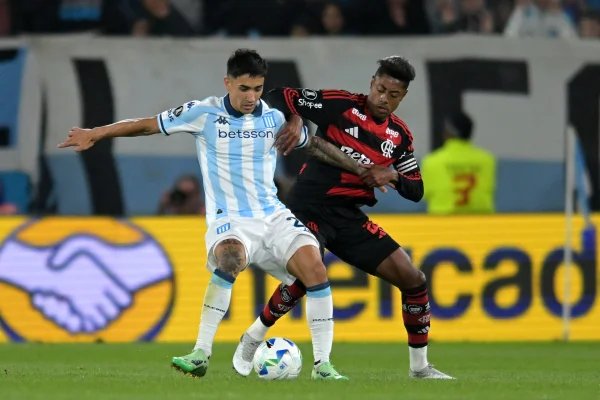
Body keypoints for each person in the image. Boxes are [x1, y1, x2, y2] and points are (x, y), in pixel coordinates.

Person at [58, 48, 362, 381]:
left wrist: (361, 168)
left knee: (315, 268)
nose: (251, 97)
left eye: (257, 89)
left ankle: (322, 366)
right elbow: (146, 125)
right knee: (230, 259)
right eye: (244, 88)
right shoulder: (203, 113)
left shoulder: (275, 117)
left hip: (272, 215)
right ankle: (200, 352)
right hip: (229, 218)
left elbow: (315, 145)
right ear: (227, 82)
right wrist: (96, 132)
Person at [232, 56, 454, 380]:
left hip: (348, 216)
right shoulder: (340, 105)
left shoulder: (399, 137)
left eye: (393, 95)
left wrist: (392, 175)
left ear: (402, 96)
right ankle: (257, 338)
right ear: (372, 83)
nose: (384, 98)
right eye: (380, 89)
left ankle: (420, 368)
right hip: (308, 206)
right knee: (308, 277)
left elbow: (416, 190)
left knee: (414, 279)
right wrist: (294, 118)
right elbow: (279, 95)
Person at [421, 111, 496, 214]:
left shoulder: (431, 161)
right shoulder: (487, 160)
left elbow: (424, 195)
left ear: (447, 132)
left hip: (443, 221)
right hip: (481, 221)